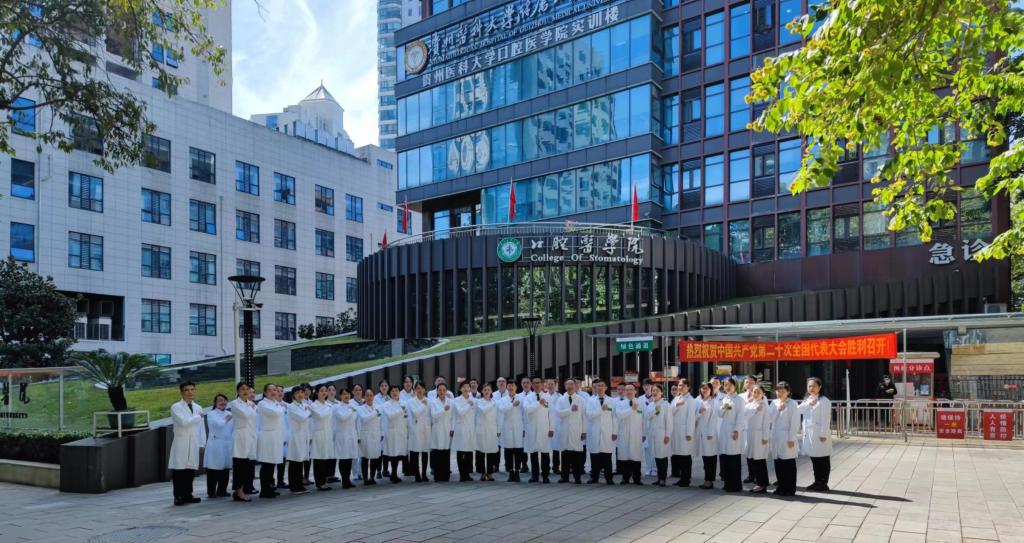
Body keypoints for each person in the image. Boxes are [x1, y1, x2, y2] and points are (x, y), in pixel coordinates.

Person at [169, 382, 205, 506]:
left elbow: (201, 428)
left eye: (192, 389)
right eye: (186, 390)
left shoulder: (198, 407)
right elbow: (183, 422)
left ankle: (188, 494)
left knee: (190, 470)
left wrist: (202, 443)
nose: (190, 392)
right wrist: (198, 417)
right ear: (181, 392)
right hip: (182, 441)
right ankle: (178, 496)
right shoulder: (176, 407)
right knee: (179, 470)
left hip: (194, 441)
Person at [799, 377, 833, 492]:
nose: (811, 388)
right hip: (809, 434)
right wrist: (809, 403)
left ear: (820, 387)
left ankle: (823, 483)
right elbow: (798, 411)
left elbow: (825, 419)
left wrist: (823, 434)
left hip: (820, 434)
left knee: (822, 458)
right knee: (814, 458)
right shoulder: (807, 399)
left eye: (814, 386)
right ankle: (817, 481)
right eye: (809, 386)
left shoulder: (824, 401)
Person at [770, 381, 800, 496]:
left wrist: (791, 438)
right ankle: (781, 487)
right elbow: (770, 419)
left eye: (783, 391)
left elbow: (795, 423)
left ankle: (790, 489)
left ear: (788, 392)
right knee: (778, 463)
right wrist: (778, 409)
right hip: (775, 436)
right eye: (778, 391)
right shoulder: (774, 403)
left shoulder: (793, 404)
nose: (780, 393)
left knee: (788, 463)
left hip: (787, 436)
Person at [229, 382, 257, 501]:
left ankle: (245, 488)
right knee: (239, 464)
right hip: (240, 436)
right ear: (238, 391)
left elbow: (254, 419)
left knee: (248, 465)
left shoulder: (251, 404)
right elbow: (245, 415)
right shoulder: (235, 403)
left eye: (247, 389)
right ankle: (238, 491)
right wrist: (252, 407)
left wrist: (251, 406)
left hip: (251, 436)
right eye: (242, 389)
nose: (245, 391)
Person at [554, 378, 586, 484]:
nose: (570, 386)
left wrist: (584, 431)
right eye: (568, 384)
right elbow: (558, 413)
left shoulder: (581, 400)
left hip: (577, 430)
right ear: (565, 386)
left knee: (577, 455)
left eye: (572, 384)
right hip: (565, 430)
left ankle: (577, 477)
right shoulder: (560, 399)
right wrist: (570, 410)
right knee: (565, 455)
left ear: (575, 386)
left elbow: (584, 416)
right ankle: (564, 477)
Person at [256, 384, 285, 499]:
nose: (273, 392)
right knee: (267, 463)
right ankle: (264, 490)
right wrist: (280, 407)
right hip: (267, 436)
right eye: (270, 390)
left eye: (275, 390)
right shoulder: (262, 404)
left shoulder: (276, 403)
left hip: (276, 436)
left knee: (272, 463)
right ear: (265, 392)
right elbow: (276, 413)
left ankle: (270, 487)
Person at [717, 377, 745, 492]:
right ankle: (727, 483)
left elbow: (740, 416)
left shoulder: (739, 400)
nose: (727, 387)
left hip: (733, 430)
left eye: (729, 385)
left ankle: (735, 485)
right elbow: (719, 414)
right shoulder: (724, 399)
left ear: (735, 386)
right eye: (725, 385)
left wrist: (736, 430)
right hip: (724, 430)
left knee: (733, 458)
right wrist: (723, 407)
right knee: (725, 457)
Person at [584, 379, 615, 485]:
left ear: (606, 388)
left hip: (607, 431)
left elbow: (614, 418)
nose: (600, 387)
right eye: (598, 386)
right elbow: (589, 415)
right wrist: (600, 410)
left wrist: (614, 432)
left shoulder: (612, 401)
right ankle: (594, 477)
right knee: (594, 456)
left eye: (602, 385)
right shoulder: (590, 400)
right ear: (595, 388)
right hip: (594, 431)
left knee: (607, 456)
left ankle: (609, 478)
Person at [523, 377, 553, 483]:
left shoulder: (548, 396)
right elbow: (527, 410)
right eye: (534, 383)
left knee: (545, 453)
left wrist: (551, 428)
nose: (536, 385)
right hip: (532, 428)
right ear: (532, 384)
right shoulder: (528, 397)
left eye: (538, 383)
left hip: (544, 428)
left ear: (542, 384)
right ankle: (534, 476)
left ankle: (545, 476)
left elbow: (551, 413)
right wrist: (538, 403)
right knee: (533, 453)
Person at [743, 383, 772, 493]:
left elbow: (766, 422)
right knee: (753, 459)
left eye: (759, 392)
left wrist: (765, 437)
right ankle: (759, 482)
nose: (756, 394)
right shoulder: (750, 404)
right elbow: (744, 416)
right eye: (754, 392)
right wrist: (755, 409)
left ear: (763, 394)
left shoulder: (765, 406)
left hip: (760, 435)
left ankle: (762, 484)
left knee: (760, 460)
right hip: (751, 434)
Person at [203, 393, 233, 498]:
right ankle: (211, 492)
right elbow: (218, 425)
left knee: (225, 468)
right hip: (215, 444)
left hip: (227, 443)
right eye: (220, 400)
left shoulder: (229, 413)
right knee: (213, 469)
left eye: (224, 400)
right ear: (215, 403)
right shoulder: (211, 414)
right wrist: (226, 419)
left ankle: (222, 490)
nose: (222, 402)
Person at [614, 383, 644, 485]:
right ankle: (625, 478)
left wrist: (644, 433)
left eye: (631, 390)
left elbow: (644, 419)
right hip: (624, 433)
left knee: (636, 456)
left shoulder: (641, 403)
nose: (629, 392)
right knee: (625, 456)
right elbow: (620, 415)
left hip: (636, 433)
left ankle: (637, 478)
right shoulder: (620, 403)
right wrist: (631, 409)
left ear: (635, 391)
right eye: (627, 390)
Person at [643, 384, 673, 487]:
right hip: (652, 434)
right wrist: (655, 410)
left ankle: (663, 479)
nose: (654, 392)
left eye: (657, 391)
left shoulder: (666, 404)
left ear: (662, 392)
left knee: (662, 456)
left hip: (662, 434)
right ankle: (659, 478)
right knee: (656, 455)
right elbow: (646, 416)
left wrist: (667, 435)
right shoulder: (651, 404)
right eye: (653, 391)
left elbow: (669, 421)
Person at [670, 379, 698, 487]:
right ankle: (681, 477)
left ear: (688, 387)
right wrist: (676, 405)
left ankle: (686, 479)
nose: (680, 387)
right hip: (676, 431)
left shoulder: (691, 400)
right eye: (679, 385)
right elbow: (670, 412)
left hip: (685, 431)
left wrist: (689, 433)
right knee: (678, 455)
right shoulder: (677, 398)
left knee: (685, 455)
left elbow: (691, 418)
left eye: (683, 385)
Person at [285, 386, 312, 494]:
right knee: (295, 461)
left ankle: (300, 485)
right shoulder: (291, 406)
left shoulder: (304, 405)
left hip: (304, 436)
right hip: (295, 436)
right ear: (293, 396)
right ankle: (294, 487)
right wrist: (308, 411)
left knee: (301, 461)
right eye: (297, 393)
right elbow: (301, 417)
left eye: (302, 392)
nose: (300, 395)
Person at [497, 380, 524, 482]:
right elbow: (502, 409)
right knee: (508, 450)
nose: (511, 387)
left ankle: (517, 471)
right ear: (507, 387)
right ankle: (510, 471)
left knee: (518, 450)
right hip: (507, 427)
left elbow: (524, 413)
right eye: (509, 385)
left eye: (513, 385)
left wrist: (524, 428)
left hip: (518, 427)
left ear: (516, 387)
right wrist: (512, 404)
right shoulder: (503, 400)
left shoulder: (521, 398)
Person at [309, 384, 335, 491]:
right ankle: (319, 482)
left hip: (328, 433)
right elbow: (320, 416)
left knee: (326, 458)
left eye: (325, 391)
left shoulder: (328, 405)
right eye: (321, 391)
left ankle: (324, 480)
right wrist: (329, 408)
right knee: (319, 458)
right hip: (319, 433)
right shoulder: (313, 405)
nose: (324, 393)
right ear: (317, 393)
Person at [381, 385, 409, 483]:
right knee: (393, 454)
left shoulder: (403, 403)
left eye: (396, 390)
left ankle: (395, 474)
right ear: (389, 393)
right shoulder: (386, 404)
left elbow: (406, 417)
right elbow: (391, 416)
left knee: (399, 454)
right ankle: (393, 475)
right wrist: (401, 410)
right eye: (392, 391)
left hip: (401, 432)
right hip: (392, 433)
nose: (394, 393)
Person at [332, 388, 358, 489]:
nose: (346, 396)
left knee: (349, 458)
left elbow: (355, 420)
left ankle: (348, 479)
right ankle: (344, 480)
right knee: (343, 458)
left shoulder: (353, 406)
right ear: (340, 396)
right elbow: (342, 418)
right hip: (342, 435)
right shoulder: (337, 406)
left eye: (348, 394)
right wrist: (351, 410)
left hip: (351, 434)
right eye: (344, 394)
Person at [451, 380, 477, 482]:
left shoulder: (473, 399)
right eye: (464, 387)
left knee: (469, 451)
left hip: (470, 428)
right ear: (460, 389)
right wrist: (469, 405)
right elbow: (461, 412)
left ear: (470, 389)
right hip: (461, 428)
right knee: (461, 451)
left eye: (467, 387)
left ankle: (468, 473)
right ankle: (462, 474)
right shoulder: (456, 400)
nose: (466, 389)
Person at [406, 381, 432, 482]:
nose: (420, 390)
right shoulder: (411, 402)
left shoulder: (429, 401)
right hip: (416, 429)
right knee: (415, 452)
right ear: (414, 390)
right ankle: (417, 474)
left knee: (425, 452)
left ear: (424, 390)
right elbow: (416, 413)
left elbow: (431, 415)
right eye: (417, 388)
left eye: (421, 388)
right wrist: (423, 405)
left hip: (426, 429)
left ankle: (424, 474)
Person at [357, 392, 384, 486]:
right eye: (367, 396)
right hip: (365, 434)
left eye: (371, 395)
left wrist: (382, 433)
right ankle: (365, 478)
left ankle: (372, 477)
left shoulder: (378, 407)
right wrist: (375, 413)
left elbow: (381, 421)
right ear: (364, 397)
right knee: (365, 457)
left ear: (373, 397)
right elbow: (364, 419)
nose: (369, 397)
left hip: (376, 434)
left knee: (375, 457)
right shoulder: (360, 408)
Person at [696, 382, 719, 490]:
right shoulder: (697, 400)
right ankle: (707, 479)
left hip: (709, 434)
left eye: (707, 388)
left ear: (711, 390)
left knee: (710, 457)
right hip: (699, 432)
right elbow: (693, 415)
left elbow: (714, 419)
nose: (704, 390)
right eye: (702, 388)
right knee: (705, 457)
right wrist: (699, 412)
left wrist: (710, 433)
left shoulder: (713, 402)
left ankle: (709, 480)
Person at [429, 382, 454, 482]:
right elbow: (434, 415)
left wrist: (452, 429)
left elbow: (453, 417)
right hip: (437, 429)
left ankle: (446, 475)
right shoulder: (433, 402)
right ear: (437, 391)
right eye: (440, 390)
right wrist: (443, 409)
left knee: (446, 452)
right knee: (437, 452)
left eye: (444, 390)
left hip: (447, 429)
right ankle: (437, 475)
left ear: (446, 391)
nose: (442, 392)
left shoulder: (451, 402)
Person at [474, 383, 499, 481]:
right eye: (485, 390)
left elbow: (498, 417)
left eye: (488, 390)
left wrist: (498, 430)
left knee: (491, 451)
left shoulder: (495, 402)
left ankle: (490, 472)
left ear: (491, 391)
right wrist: (492, 404)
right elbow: (483, 410)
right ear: (482, 391)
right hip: (481, 429)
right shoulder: (478, 402)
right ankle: (482, 472)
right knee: (480, 451)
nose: (487, 391)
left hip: (492, 429)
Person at [740, 374, 759, 484]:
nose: (749, 384)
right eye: (747, 382)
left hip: (755, 428)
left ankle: (757, 475)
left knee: (756, 452)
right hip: (744, 428)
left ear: (755, 383)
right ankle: (751, 474)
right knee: (747, 452)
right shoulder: (740, 396)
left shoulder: (760, 395)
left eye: (751, 382)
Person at [545, 379, 562, 476]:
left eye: (552, 384)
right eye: (549, 384)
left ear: (555, 386)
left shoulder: (560, 397)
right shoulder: (543, 396)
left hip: (557, 425)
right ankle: (546, 467)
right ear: (546, 386)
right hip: (545, 424)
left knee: (556, 448)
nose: (550, 386)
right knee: (546, 448)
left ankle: (556, 467)